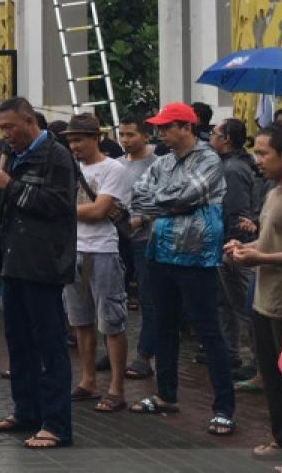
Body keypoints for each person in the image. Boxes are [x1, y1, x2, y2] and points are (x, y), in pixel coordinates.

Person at [129, 102, 234, 436]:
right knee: (163, 326)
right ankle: (165, 394)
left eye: (166, 127)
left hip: (197, 257)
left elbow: (188, 195)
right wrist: (169, 203)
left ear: (186, 127)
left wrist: (165, 204)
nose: (160, 133)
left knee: (208, 331)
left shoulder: (209, 159)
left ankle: (223, 408)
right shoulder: (162, 161)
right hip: (160, 252)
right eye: (158, 128)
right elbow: (139, 197)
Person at [0, 97, 77, 450]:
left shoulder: (57, 156)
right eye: (1, 128)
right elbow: (6, 208)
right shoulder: (16, 157)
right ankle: (26, 411)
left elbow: (58, 205)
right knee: (19, 343)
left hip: (43, 264)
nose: (5, 135)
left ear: (29, 121)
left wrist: (11, 185)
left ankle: (56, 424)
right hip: (14, 261)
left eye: (10, 127)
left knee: (49, 345)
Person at [60, 113, 130, 414]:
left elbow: (100, 210)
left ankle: (116, 388)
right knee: (80, 321)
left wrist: (62, 210)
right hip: (73, 250)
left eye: (79, 139)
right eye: (71, 140)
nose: (74, 145)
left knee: (111, 320)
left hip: (103, 250)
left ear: (95, 138)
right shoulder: (70, 169)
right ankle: (88, 381)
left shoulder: (114, 168)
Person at [226, 125, 282, 467]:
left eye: (264, 153)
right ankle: (280, 438)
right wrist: (244, 247)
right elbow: (269, 241)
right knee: (273, 377)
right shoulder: (273, 191)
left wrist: (259, 258)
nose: (257, 160)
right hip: (265, 298)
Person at [210, 117, 259, 378]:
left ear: (226, 139)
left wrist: (233, 248)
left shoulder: (232, 170)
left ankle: (256, 362)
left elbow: (238, 212)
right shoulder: (230, 165)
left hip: (235, 247)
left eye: (215, 133)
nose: (211, 137)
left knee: (245, 306)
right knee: (226, 302)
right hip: (229, 243)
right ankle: (229, 353)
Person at [116, 114, 158, 380]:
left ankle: (145, 354)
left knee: (147, 297)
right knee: (113, 294)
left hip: (146, 239)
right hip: (117, 237)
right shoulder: (117, 164)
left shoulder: (158, 164)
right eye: (122, 134)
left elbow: (166, 200)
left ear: (145, 135)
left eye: (130, 134)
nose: (125, 140)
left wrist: (142, 219)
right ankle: (114, 350)